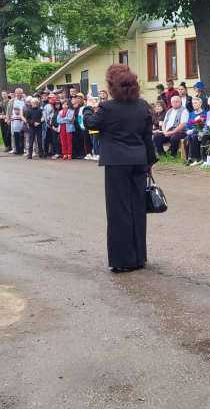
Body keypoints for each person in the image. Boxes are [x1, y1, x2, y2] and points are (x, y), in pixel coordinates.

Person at [82, 65, 156, 273]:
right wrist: (149, 162)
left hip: (117, 163)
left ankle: (123, 259)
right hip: (139, 160)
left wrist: (89, 107)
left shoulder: (108, 108)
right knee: (137, 209)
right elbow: (147, 138)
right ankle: (139, 256)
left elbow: (90, 124)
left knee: (119, 211)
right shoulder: (142, 106)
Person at [185, 97, 207, 166]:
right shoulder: (191, 114)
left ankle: (196, 158)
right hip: (191, 132)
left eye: (196, 103)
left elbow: (203, 126)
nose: (194, 105)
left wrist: (193, 130)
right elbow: (187, 124)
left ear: (200, 104)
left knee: (193, 137)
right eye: (193, 103)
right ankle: (189, 158)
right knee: (188, 137)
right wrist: (188, 130)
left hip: (199, 132)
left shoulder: (204, 113)